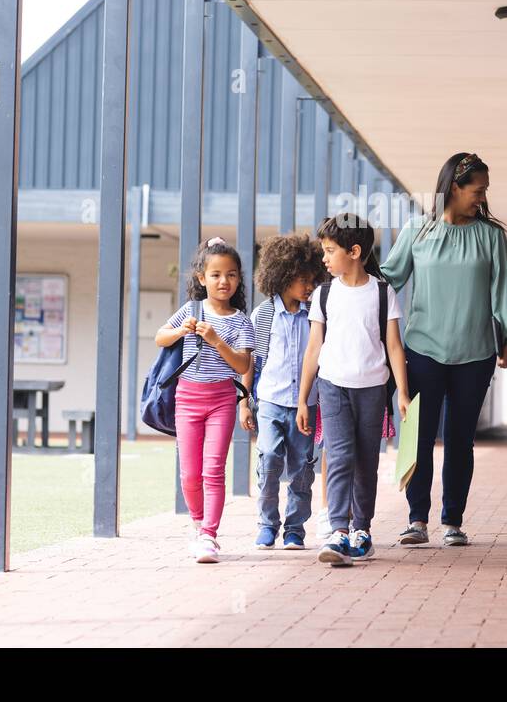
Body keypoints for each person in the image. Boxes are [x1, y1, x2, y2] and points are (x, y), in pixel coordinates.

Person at [381, 152, 507, 547]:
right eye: (476, 190)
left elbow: (504, 290)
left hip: (475, 353)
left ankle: (452, 521)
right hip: (422, 349)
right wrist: (347, 290)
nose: (482, 198)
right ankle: (417, 520)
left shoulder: (491, 236)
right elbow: (388, 279)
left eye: (485, 191)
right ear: (454, 188)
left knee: (461, 439)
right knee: (420, 436)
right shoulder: (417, 231)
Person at [297, 214, 411, 567]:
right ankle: (338, 530)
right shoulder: (324, 293)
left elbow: (393, 346)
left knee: (366, 462)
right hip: (332, 386)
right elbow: (314, 347)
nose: (325, 259)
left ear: (355, 251)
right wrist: (303, 399)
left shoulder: (381, 292)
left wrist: (403, 394)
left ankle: (362, 530)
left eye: (330, 251)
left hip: (372, 389)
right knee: (340, 457)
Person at [154, 237, 255, 564]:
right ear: (201, 278)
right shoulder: (192, 310)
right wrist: (183, 331)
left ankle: (209, 535)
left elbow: (242, 366)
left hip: (221, 400)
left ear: (239, 279)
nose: (224, 281)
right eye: (215, 274)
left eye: (231, 274)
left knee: (213, 469)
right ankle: (198, 525)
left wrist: (214, 340)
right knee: (189, 473)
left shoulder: (241, 320)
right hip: (187, 398)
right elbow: (160, 337)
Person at [245, 232, 326, 550]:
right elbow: (250, 361)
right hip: (270, 402)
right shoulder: (263, 315)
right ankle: (267, 524)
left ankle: (294, 529)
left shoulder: (317, 313)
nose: (308, 287)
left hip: (307, 403)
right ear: (281, 275)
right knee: (269, 463)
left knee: (301, 471)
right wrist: (244, 402)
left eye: (312, 280)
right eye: (301, 280)